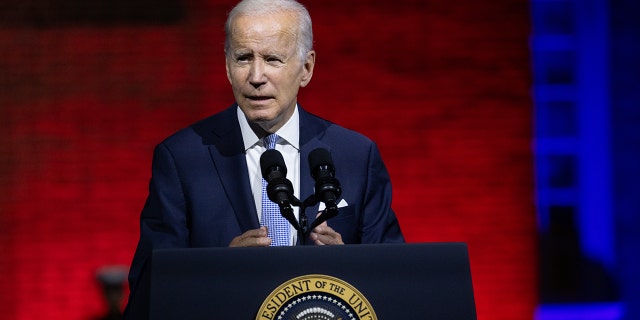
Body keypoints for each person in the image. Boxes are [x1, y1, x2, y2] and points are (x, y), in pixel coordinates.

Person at [124, 0, 404, 317]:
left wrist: (348, 268)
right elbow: (147, 297)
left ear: (306, 69)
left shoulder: (356, 155)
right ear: (228, 66)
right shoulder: (181, 158)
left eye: (272, 59)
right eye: (244, 58)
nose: (257, 76)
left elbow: (396, 286)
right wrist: (215, 272)